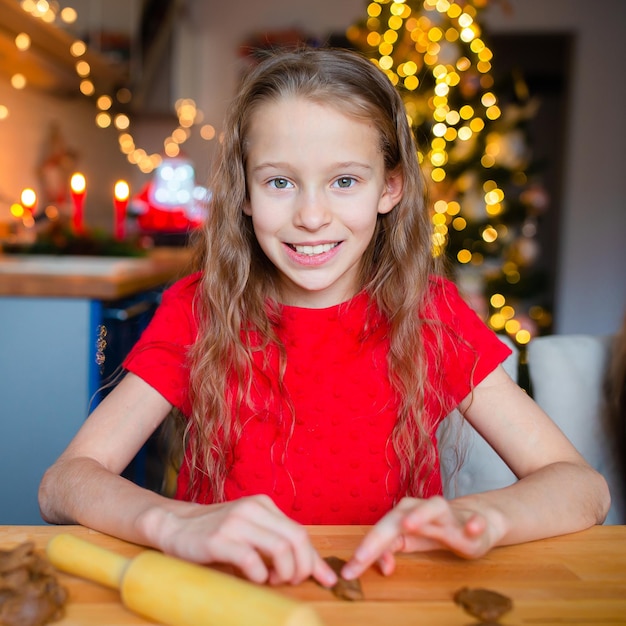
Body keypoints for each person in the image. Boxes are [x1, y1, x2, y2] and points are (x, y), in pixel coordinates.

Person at [39, 47, 609, 589]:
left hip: (387, 603)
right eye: (280, 182)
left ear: (390, 188)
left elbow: (582, 488)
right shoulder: (200, 310)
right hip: (232, 601)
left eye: (344, 181)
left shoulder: (430, 314)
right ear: (244, 193)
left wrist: (483, 517)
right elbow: (63, 483)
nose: (311, 216)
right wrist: (170, 522)